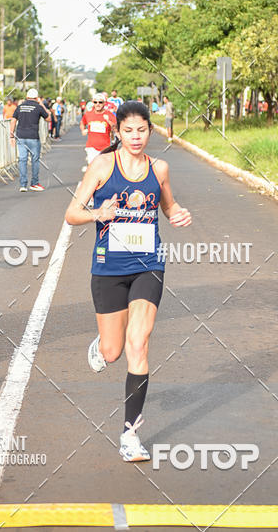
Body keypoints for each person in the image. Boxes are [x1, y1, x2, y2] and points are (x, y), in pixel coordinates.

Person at [65, 101, 191, 462]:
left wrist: (177, 214)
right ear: (117, 132)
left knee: (139, 344)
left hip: (148, 264)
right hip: (108, 268)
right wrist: (96, 214)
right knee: (113, 351)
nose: (136, 137)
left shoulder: (160, 168)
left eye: (142, 130)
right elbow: (71, 213)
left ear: (151, 131)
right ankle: (102, 342)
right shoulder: (103, 165)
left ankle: (130, 435)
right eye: (129, 131)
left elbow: (168, 206)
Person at [10, 89, 49, 192]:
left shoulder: (20, 107)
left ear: (27, 97)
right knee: (34, 160)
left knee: (22, 160)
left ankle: (23, 185)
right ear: (36, 98)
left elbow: (13, 120)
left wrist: (11, 135)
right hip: (33, 137)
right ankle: (34, 183)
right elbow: (48, 118)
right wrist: (41, 104)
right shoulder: (38, 107)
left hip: (21, 136)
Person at [80, 92, 116, 171]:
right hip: (91, 147)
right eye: (95, 102)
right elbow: (82, 122)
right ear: (93, 102)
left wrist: (108, 121)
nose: (98, 104)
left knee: (104, 169)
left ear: (104, 103)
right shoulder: (88, 114)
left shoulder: (109, 115)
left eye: (100, 102)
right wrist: (83, 130)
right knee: (93, 168)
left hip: (105, 147)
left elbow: (115, 128)